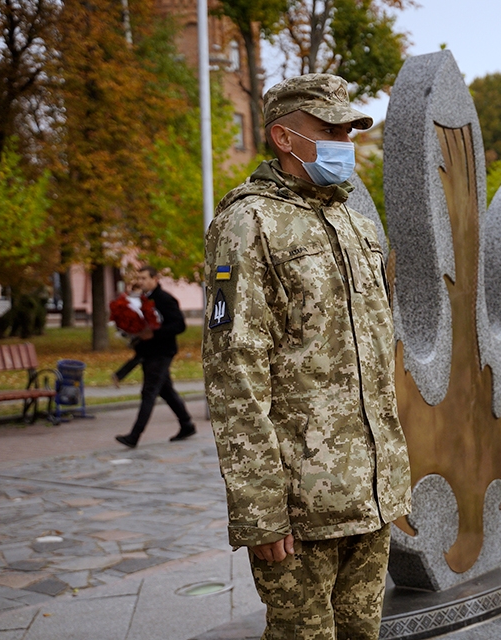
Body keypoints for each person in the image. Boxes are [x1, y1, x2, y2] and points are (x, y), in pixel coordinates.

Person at [201, 74, 411, 640]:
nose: (345, 142)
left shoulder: (356, 224)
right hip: (300, 507)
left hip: (369, 495)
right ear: (285, 138)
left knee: (363, 633)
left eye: (349, 131)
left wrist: (391, 479)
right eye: (329, 130)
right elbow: (233, 374)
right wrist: (260, 508)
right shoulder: (248, 224)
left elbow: (373, 360)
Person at [115, 266, 196, 447]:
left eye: (144, 278)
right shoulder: (143, 300)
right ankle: (187, 424)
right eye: (139, 278)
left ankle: (134, 436)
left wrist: (155, 334)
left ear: (155, 279)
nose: (141, 281)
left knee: (149, 392)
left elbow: (180, 325)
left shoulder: (164, 299)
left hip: (162, 351)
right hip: (149, 351)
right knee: (166, 391)